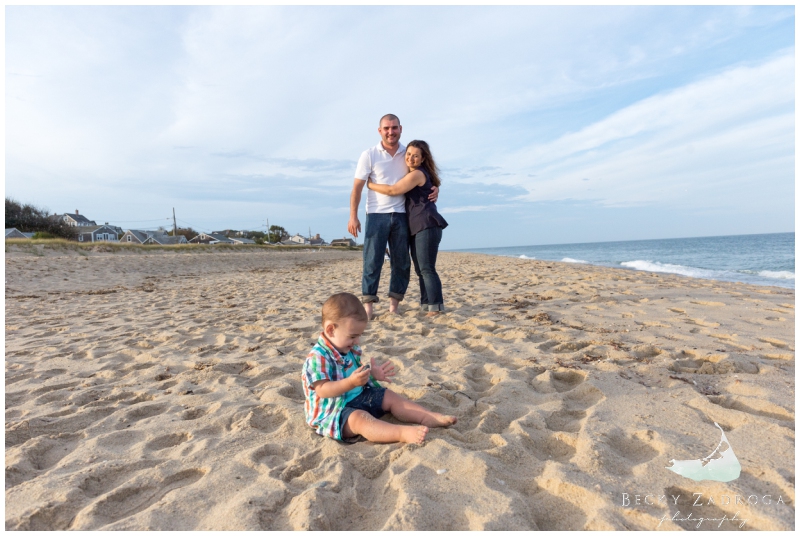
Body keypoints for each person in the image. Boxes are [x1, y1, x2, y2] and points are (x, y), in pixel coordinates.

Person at [302, 292, 456, 444]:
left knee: (388, 395)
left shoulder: (346, 347)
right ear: (331, 330)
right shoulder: (318, 357)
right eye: (353, 336)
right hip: (333, 412)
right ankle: (401, 433)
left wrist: (371, 375)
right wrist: (350, 383)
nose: (358, 341)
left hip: (357, 396)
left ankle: (426, 416)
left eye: (359, 335)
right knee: (359, 419)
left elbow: (353, 374)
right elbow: (322, 390)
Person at [348, 114, 437, 319]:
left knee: (401, 262)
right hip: (376, 215)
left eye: (394, 128)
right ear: (380, 131)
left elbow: (426, 173)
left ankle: (393, 308)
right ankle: (368, 309)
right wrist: (353, 216)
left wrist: (436, 188)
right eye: (387, 128)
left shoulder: (408, 153)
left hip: (401, 216)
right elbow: (357, 188)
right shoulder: (369, 155)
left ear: (401, 129)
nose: (391, 132)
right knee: (372, 262)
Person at [366, 140, 448, 316]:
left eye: (415, 155)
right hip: (417, 226)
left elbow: (394, 190)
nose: (410, 158)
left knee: (426, 268)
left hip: (426, 224)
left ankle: (435, 306)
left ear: (423, 158)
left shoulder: (417, 174)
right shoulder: (418, 174)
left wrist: (370, 184)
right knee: (421, 269)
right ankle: (427, 305)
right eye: (408, 154)